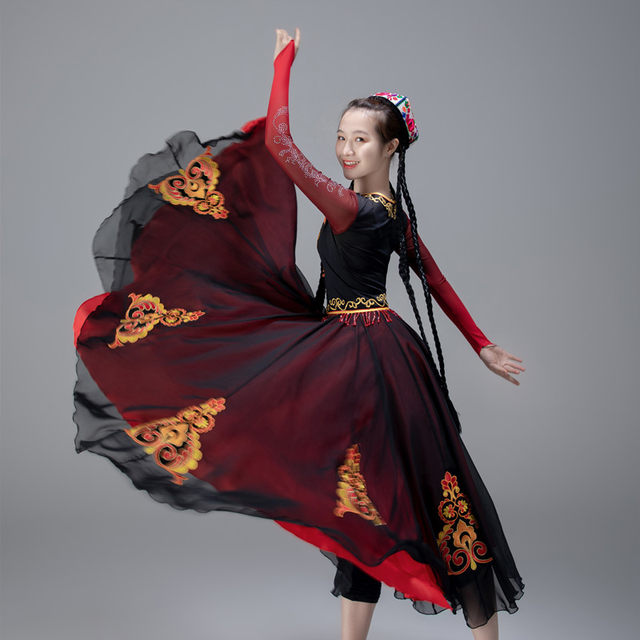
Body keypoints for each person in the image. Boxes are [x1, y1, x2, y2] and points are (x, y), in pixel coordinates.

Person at [72, 25, 525, 640]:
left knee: (396, 501)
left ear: (391, 147)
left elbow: (281, 146)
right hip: (375, 354)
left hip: (364, 362)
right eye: (341, 137)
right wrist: (481, 345)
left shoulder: (356, 210)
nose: (346, 150)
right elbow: (436, 280)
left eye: (360, 139)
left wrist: (283, 63)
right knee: (378, 504)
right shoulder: (388, 213)